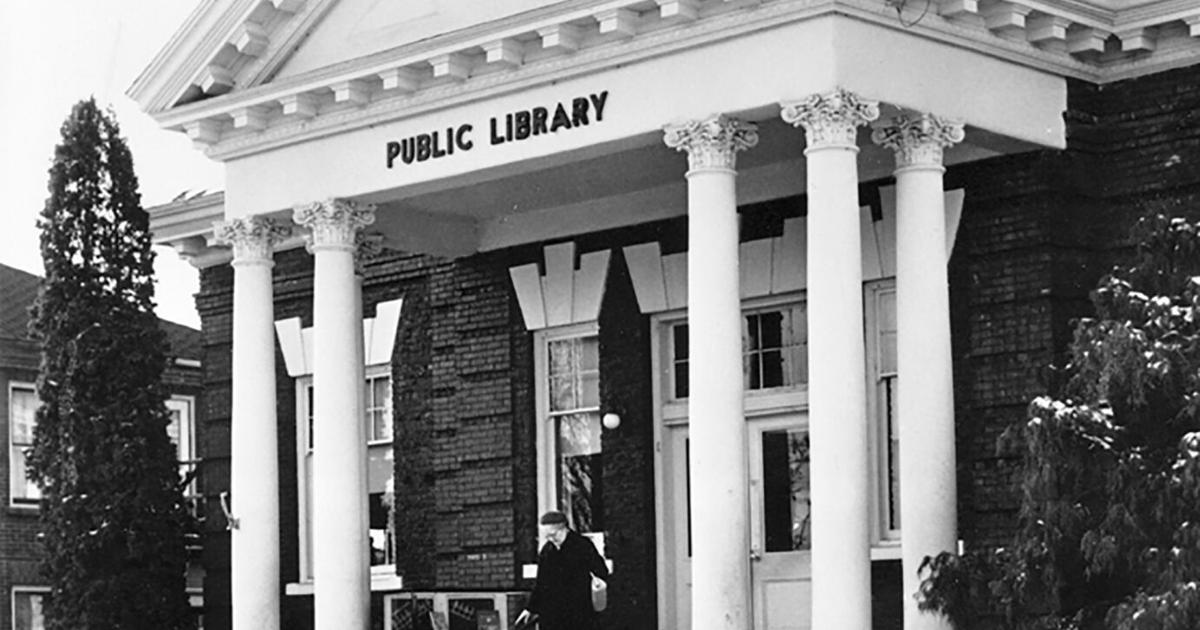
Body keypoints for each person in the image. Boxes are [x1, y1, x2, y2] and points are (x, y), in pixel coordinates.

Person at [515, 511, 609, 630]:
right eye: (547, 536)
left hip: (578, 611)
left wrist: (597, 583)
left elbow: (601, 571)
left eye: (553, 534)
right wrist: (530, 609)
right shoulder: (547, 551)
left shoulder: (582, 546)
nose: (551, 539)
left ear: (564, 528)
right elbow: (541, 583)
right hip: (553, 614)